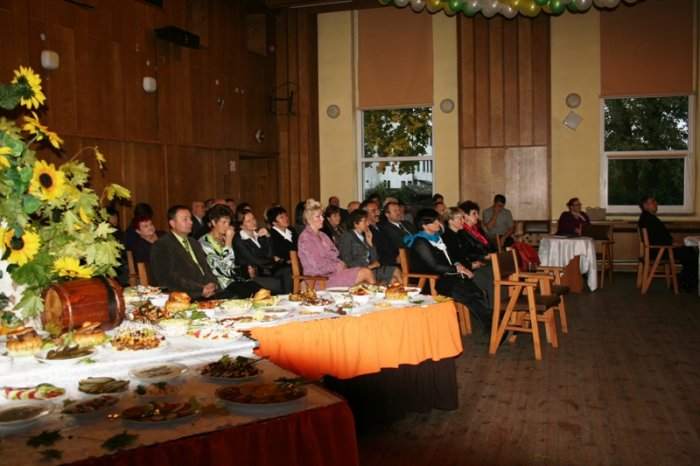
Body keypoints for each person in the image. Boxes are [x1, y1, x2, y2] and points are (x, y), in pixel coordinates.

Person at [405, 208, 491, 333]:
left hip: (445, 276)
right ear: (424, 225)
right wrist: (457, 269)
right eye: (434, 222)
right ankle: (491, 322)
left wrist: (460, 266)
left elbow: (450, 258)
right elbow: (434, 266)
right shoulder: (420, 242)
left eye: (437, 220)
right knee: (463, 289)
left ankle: (491, 322)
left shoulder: (437, 238)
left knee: (471, 289)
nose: (438, 223)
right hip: (429, 280)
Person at [297, 199, 375, 287]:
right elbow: (317, 266)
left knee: (364, 280)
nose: (322, 219)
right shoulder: (306, 238)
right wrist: (337, 266)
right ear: (309, 219)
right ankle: (376, 295)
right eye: (318, 217)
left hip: (331, 274)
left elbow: (335, 255)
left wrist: (340, 264)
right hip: (318, 279)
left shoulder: (323, 235)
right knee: (366, 273)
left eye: (322, 216)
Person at [150, 205, 220, 300]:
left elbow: (206, 268)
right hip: (184, 296)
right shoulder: (162, 245)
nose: (190, 222)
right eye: (185, 219)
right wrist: (200, 289)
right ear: (172, 223)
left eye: (190, 219)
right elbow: (168, 278)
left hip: (207, 292)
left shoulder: (194, 242)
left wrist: (213, 284)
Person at [198, 204, 262, 298]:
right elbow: (224, 270)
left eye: (228, 222)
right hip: (221, 284)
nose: (227, 226)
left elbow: (238, 262)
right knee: (251, 294)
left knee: (262, 292)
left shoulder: (227, 237)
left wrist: (248, 270)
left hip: (238, 280)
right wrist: (228, 243)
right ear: (213, 222)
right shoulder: (204, 242)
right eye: (223, 222)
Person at [638, 196, 698, 290]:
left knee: (689, 251)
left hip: (657, 250)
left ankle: (684, 280)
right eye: (653, 202)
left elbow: (658, 237)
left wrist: (672, 243)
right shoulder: (650, 219)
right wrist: (672, 244)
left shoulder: (645, 218)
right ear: (645, 206)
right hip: (660, 251)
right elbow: (659, 239)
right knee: (690, 253)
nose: (656, 203)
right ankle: (684, 283)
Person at [442, 207, 493, 306]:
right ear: (450, 221)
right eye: (460, 218)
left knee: (491, 270)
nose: (463, 221)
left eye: (463, 218)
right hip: (459, 271)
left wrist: (479, 258)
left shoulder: (460, 234)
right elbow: (453, 259)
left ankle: (494, 306)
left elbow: (469, 252)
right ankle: (488, 308)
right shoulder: (447, 237)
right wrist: (471, 265)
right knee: (486, 276)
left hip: (469, 265)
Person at [233, 210, 291, 294]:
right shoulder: (239, 239)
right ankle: (287, 299)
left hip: (267, 271)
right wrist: (273, 260)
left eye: (253, 218)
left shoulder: (259, 234)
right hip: (251, 276)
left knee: (288, 271)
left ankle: (288, 299)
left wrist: (268, 237)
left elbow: (270, 254)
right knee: (282, 284)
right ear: (241, 225)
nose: (253, 222)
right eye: (248, 221)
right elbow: (254, 260)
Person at [338, 209, 401, 284]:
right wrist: (369, 266)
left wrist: (370, 243)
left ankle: (403, 290)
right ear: (355, 223)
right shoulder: (347, 236)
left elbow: (375, 259)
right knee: (394, 275)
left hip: (371, 269)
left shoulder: (364, 236)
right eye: (364, 221)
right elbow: (346, 261)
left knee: (395, 274)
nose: (367, 224)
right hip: (359, 272)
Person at [376, 200, 416, 268]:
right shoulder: (385, 228)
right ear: (387, 214)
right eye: (395, 211)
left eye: (399, 210)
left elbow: (417, 236)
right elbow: (400, 244)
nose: (398, 213)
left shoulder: (407, 224)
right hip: (406, 257)